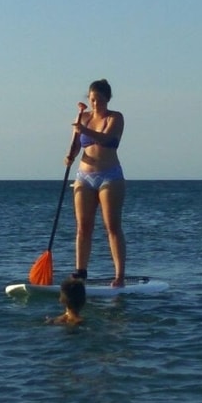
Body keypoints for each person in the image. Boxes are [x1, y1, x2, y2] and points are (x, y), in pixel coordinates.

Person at [66, 78, 126, 287]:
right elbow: (76, 144)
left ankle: (119, 275)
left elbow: (109, 140)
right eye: (92, 100)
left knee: (112, 226)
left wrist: (83, 130)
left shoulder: (115, 118)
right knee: (83, 226)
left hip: (109, 176)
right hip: (84, 176)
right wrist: (70, 155)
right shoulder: (84, 117)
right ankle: (80, 272)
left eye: (99, 100)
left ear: (107, 99)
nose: (95, 104)